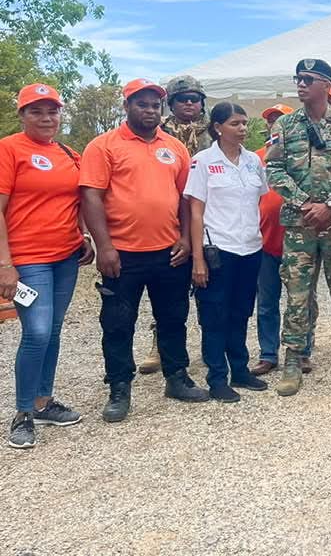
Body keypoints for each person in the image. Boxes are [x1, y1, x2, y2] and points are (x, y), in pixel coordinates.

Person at [81, 78, 208, 423]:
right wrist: (104, 245)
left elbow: (186, 197)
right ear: (127, 107)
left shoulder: (175, 148)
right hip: (122, 254)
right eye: (142, 104)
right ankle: (120, 387)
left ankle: (176, 377)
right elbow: (91, 196)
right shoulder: (103, 146)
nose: (150, 111)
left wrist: (184, 237)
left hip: (169, 251)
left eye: (155, 105)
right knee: (118, 323)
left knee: (173, 318)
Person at [265, 59, 331, 396]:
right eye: (298, 78)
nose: (301, 84)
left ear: (327, 85)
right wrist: (303, 203)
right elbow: (274, 169)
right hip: (299, 226)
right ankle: (294, 358)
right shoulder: (285, 125)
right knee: (297, 295)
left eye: (308, 79)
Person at [2, 84, 94, 449]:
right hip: (27, 259)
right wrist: (4, 264)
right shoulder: (8, 149)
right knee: (37, 333)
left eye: (52, 111)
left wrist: (83, 237)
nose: (46, 118)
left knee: (53, 331)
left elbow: (75, 203)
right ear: (22, 115)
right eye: (36, 111)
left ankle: (43, 401)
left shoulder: (69, 153)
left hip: (65, 256)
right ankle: (22, 412)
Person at [184, 103, 269, 402]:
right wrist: (197, 258)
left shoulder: (253, 161)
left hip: (250, 247)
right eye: (235, 123)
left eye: (245, 123)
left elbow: (258, 201)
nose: (243, 128)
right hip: (218, 249)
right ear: (218, 127)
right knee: (214, 315)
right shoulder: (203, 161)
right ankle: (217, 378)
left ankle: (240, 369)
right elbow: (196, 212)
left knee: (241, 312)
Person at [129, 74, 211, 377]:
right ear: (171, 103)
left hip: (209, 217)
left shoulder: (215, 130)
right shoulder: (157, 131)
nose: (188, 103)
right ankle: (160, 346)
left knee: (207, 283)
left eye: (194, 98)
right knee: (167, 291)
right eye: (181, 99)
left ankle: (210, 343)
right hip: (169, 220)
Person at [251, 104, 305, 376]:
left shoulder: (303, 156)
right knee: (267, 302)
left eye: (281, 119)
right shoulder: (255, 158)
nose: (275, 124)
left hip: (298, 240)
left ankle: (301, 352)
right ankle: (268, 354)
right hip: (264, 241)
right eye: (271, 119)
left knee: (301, 300)